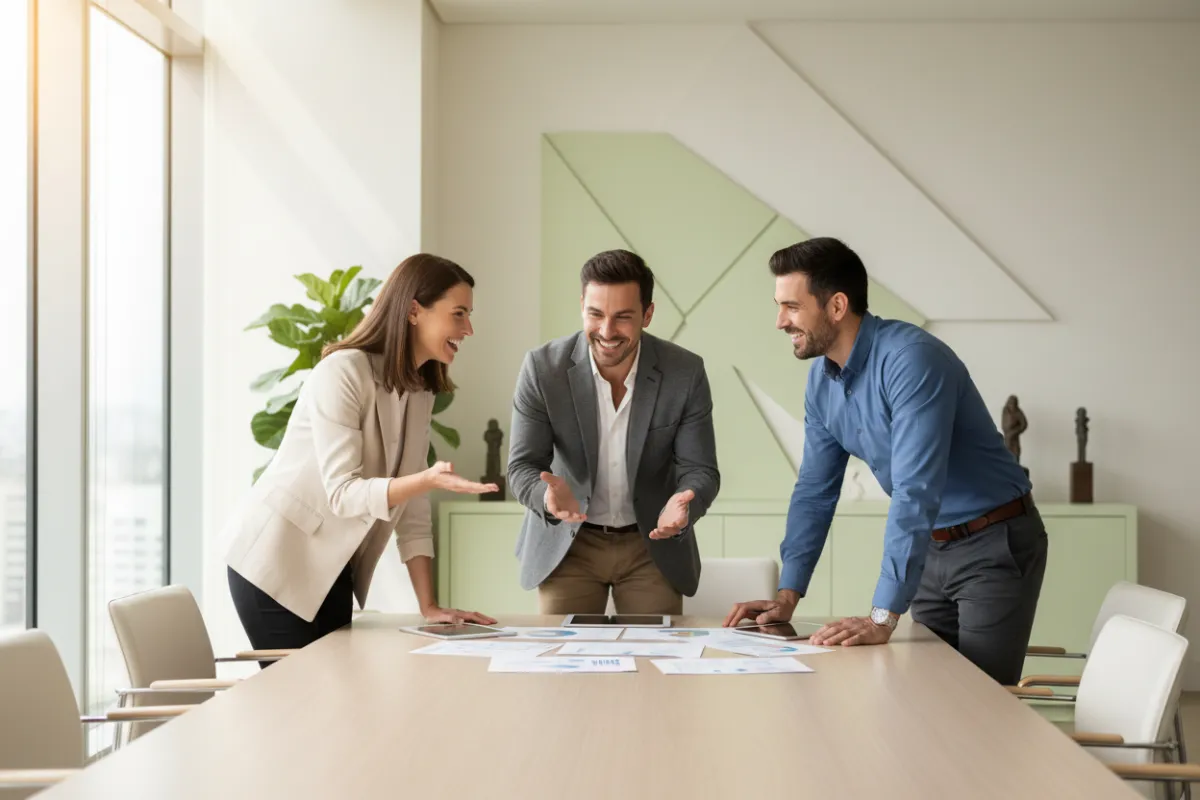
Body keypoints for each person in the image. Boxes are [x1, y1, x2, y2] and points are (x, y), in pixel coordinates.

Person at [723, 238, 1047, 685]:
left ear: (836, 306)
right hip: (932, 548)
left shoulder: (912, 360)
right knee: (929, 696)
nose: (780, 321)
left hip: (993, 544)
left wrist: (882, 616)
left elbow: (916, 488)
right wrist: (787, 595)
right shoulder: (821, 382)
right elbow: (815, 491)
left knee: (981, 702)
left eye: (792, 307)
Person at [224, 254, 500, 654]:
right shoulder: (342, 372)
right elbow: (343, 493)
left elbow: (415, 511)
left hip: (333, 569)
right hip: (275, 565)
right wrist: (425, 479)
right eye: (459, 314)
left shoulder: (421, 390)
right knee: (303, 703)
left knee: (335, 699)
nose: (468, 329)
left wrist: (429, 606)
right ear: (413, 311)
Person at [507, 249, 720, 615]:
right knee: (563, 663)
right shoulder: (542, 369)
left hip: (649, 545)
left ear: (647, 315)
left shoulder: (685, 373)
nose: (606, 332)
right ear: (582, 306)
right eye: (595, 314)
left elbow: (701, 469)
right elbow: (522, 466)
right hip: (568, 545)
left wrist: (687, 499)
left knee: (655, 663)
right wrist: (547, 497)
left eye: (622, 317)